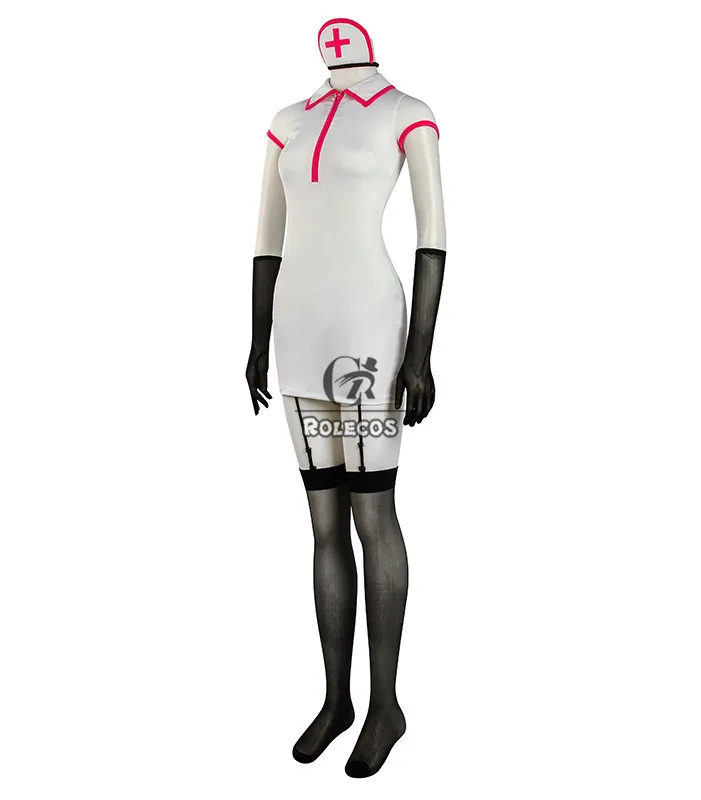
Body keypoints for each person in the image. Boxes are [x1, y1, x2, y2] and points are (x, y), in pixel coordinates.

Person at [245, 17, 447, 778]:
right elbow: (267, 238)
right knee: (323, 519)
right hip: (297, 329)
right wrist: (257, 339)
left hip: (368, 328)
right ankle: (337, 701)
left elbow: (433, 236)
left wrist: (420, 352)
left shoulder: (406, 111)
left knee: (372, 513)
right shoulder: (287, 120)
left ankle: (386, 705)